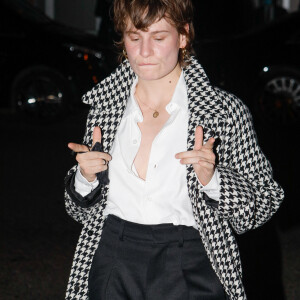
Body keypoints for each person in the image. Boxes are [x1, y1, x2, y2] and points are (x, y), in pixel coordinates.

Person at [64, 0, 284, 299]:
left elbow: (262, 204)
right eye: (134, 37)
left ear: (183, 36)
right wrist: (84, 178)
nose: (144, 52)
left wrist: (214, 179)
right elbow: (78, 211)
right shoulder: (105, 107)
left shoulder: (223, 112)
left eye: (158, 38)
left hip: (188, 261)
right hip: (112, 256)